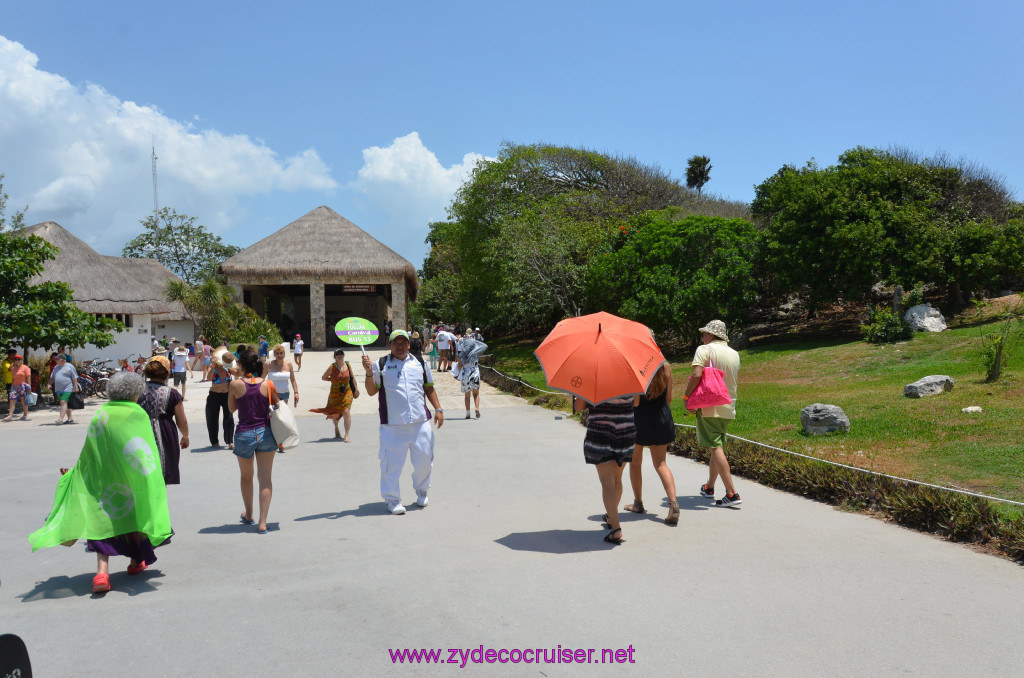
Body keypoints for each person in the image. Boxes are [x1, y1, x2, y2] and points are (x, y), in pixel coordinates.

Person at [28, 371, 173, 594]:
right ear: (136, 393)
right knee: (134, 516)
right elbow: (146, 452)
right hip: (131, 479)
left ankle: (101, 573)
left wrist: (78, 473)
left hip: (102, 479)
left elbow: (90, 450)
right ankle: (136, 563)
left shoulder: (101, 413)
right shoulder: (138, 414)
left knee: (101, 522)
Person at [362, 330, 444, 515]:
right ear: (389, 345)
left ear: (409, 344)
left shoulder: (419, 363)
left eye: (403, 342)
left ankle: (422, 491)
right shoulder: (380, 364)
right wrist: (368, 374)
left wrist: (438, 409)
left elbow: (429, 388)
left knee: (424, 461)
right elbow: (371, 391)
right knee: (391, 464)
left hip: (420, 422)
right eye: (395, 342)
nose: (400, 346)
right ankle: (392, 499)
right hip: (392, 426)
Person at [686, 320, 742, 507]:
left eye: (704, 334)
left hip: (709, 405)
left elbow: (696, 375)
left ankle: (732, 493)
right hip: (728, 404)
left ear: (710, 335)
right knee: (715, 445)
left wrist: (687, 396)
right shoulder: (735, 354)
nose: (702, 338)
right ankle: (709, 487)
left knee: (715, 448)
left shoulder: (705, 350)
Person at [575, 393, 640, 545]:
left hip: (601, 433)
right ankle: (612, 518)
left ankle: (616, 528)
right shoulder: (630, 376)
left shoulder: (593, 379)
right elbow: (636, 403)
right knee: (617, 478)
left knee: (607, 482)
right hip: (626, 431)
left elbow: (578, 407)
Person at [228, 350, 279, 534]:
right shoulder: (268, 384)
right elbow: (277, 405)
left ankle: (249, 514)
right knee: (265, 478)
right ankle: (263, 523)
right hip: (265, 432)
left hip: (244, 434)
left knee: (246, 477)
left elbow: (232, 409)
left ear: (242, 366)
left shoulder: (235, 384)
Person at [625, 363, 679, 524]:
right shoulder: (666, 367)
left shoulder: (637, 367)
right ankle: (673, 503)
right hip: (662, 416)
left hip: (639, 418)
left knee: (635, 463)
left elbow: (635, 402)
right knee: (661, 463)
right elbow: (668, 399)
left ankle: (638, 503)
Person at [138, 356, 189, 485]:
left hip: (140, 431)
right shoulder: (172, 394)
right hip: (165, 433)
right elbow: (181, 421)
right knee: (162, 470)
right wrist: (185, 436)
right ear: (167, 373)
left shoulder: (137, 391)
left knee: (142, 469)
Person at [310, 349, 358, 441]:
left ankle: (347, 435)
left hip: (347, 392)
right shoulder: (332, 367)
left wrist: (355, 389)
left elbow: (352, 378)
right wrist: (333, 380)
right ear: (335, 357)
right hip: (335, 393)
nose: (340, 355)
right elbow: (324, 377)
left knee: (346, 412)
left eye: (341, 353)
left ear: (344, 355)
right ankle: (336, 428)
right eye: (337, 354)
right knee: (335, 414)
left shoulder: (347, 365)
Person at [206, 348, 236, 449]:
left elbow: (239, 374)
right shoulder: (213, 367)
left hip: (227, 395)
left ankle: (230, 441)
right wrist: (213, 365)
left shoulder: (230, 368)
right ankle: (214, 441)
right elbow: (209, 378)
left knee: (229, 418)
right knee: (212, 418)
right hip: (214, 395)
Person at [454, 335, 487, 419]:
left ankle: (468, 413)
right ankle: (476, 408)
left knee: (467, 395)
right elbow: (485, 345)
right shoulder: (476, 351)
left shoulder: (462, 355)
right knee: (476, 394)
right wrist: (474, 341)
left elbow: (459, 367)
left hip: (466, 375)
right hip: (475, 373)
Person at [48, 353, 80, 425]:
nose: (55, 360)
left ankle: (60, 419)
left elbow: (74, 377)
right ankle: (70, 418)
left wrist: (76, 386)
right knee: (65, 404)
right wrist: (49, 384)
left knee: (63, 402)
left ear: (62, 360)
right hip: (59, 389)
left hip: (68, 388)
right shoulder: (56, 367)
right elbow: (52, 377)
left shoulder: (70, 366)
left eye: (57, 359)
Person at [4, 355, 32, 421]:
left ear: (21, 360)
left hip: (22, 386)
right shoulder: (13, 368)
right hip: (14, 386)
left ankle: (25, 415)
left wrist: (29, 388)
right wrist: (13, 363)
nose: (17, 361)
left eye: (18, 359)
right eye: (15, 359)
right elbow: (9, 369)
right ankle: (10, 415)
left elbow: (28, 379)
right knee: (12, 400)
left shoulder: (26, 368)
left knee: (23, 400)